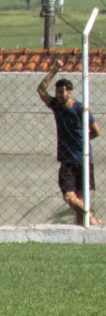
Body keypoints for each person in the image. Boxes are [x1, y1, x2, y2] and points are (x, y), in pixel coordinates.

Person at [38, 60, 103, 226]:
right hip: (67, 160)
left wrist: (82, 141)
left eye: (61, 92)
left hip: (84, 159)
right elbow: (41, 89)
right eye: (57, 92)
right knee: (69, 196)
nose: (58, 95)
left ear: (70, 93)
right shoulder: (56, 106)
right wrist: (55, 69)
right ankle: (93, 218)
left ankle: (83, 229)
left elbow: (96, 130)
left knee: (81, 198)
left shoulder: (80, 109)